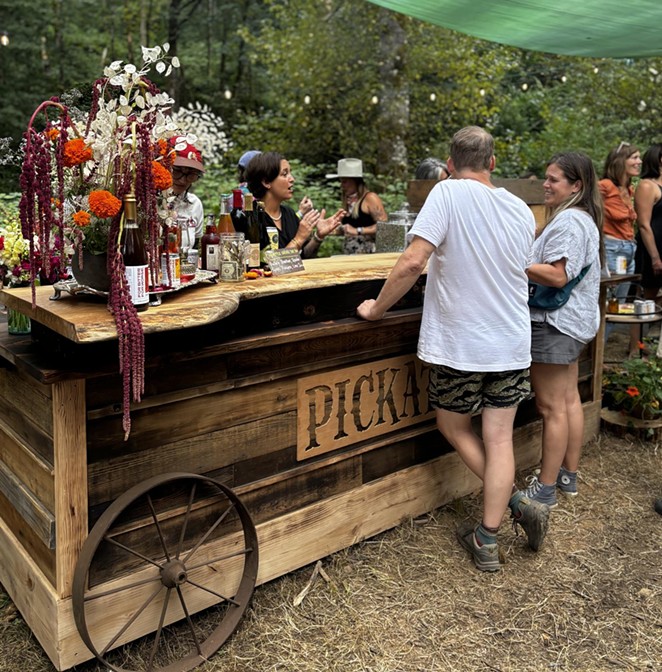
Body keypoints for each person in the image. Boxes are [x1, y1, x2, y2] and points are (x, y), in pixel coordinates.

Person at [356, 126, 548, 572]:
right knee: (499, 438)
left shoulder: (447, 193)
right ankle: (490, 534)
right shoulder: (520, 209)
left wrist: (378, 310)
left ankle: (514, 507)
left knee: (453, 425)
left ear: (449, 163)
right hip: (511, 342)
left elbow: (411, 260)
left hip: (463, 342)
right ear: (493, 163)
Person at [519, 152, 603, 509]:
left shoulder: (568, 221)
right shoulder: (583, 218)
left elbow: (557, 275)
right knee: (569, 401)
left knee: (551, 406)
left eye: (553, 179)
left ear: (576, 186)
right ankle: (568, 475)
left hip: (556, 324)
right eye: (546, 177)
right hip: (576, 322)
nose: (546, 184)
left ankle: (546, 487)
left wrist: (516, 262)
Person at [245, 151, 344, 259]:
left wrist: (318, 237)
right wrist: (299, 238)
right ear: (266, 182)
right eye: (284, 174)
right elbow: (270, 264)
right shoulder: (250, 218)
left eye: (290, 173)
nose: (292, 179)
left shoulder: (289, 214)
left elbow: (302, 256)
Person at [600, 142, 641, 356]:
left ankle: (600, 355)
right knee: (606, 305)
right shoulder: (605, 185)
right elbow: (590, 209)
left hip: (629, 251)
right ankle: (591, 357)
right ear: (620, 161)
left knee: (619, 307)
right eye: (634, 157)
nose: (639, 161)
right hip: (612, 248)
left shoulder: (629, 188)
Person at [326, 158, 388, 254]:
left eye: (345, 181)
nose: (342, 185)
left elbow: (384, 227)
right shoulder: (347, 201)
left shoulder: (370, 198)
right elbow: (348, 229)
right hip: (350, 254)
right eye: (341, 181)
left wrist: (358, 230)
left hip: (369, 253)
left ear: (355, 181)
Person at [634, 144, 662, 302]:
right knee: (645, 300)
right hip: (652, 250)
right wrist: (655, 257)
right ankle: (637, 328)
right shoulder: (647, 186)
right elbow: (644, 224)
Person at [170, 137, 205, 250]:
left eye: (191, 175)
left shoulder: (194, 204)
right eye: (177, 171)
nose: (182, 180)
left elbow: (195, 247)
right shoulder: (146, 203)